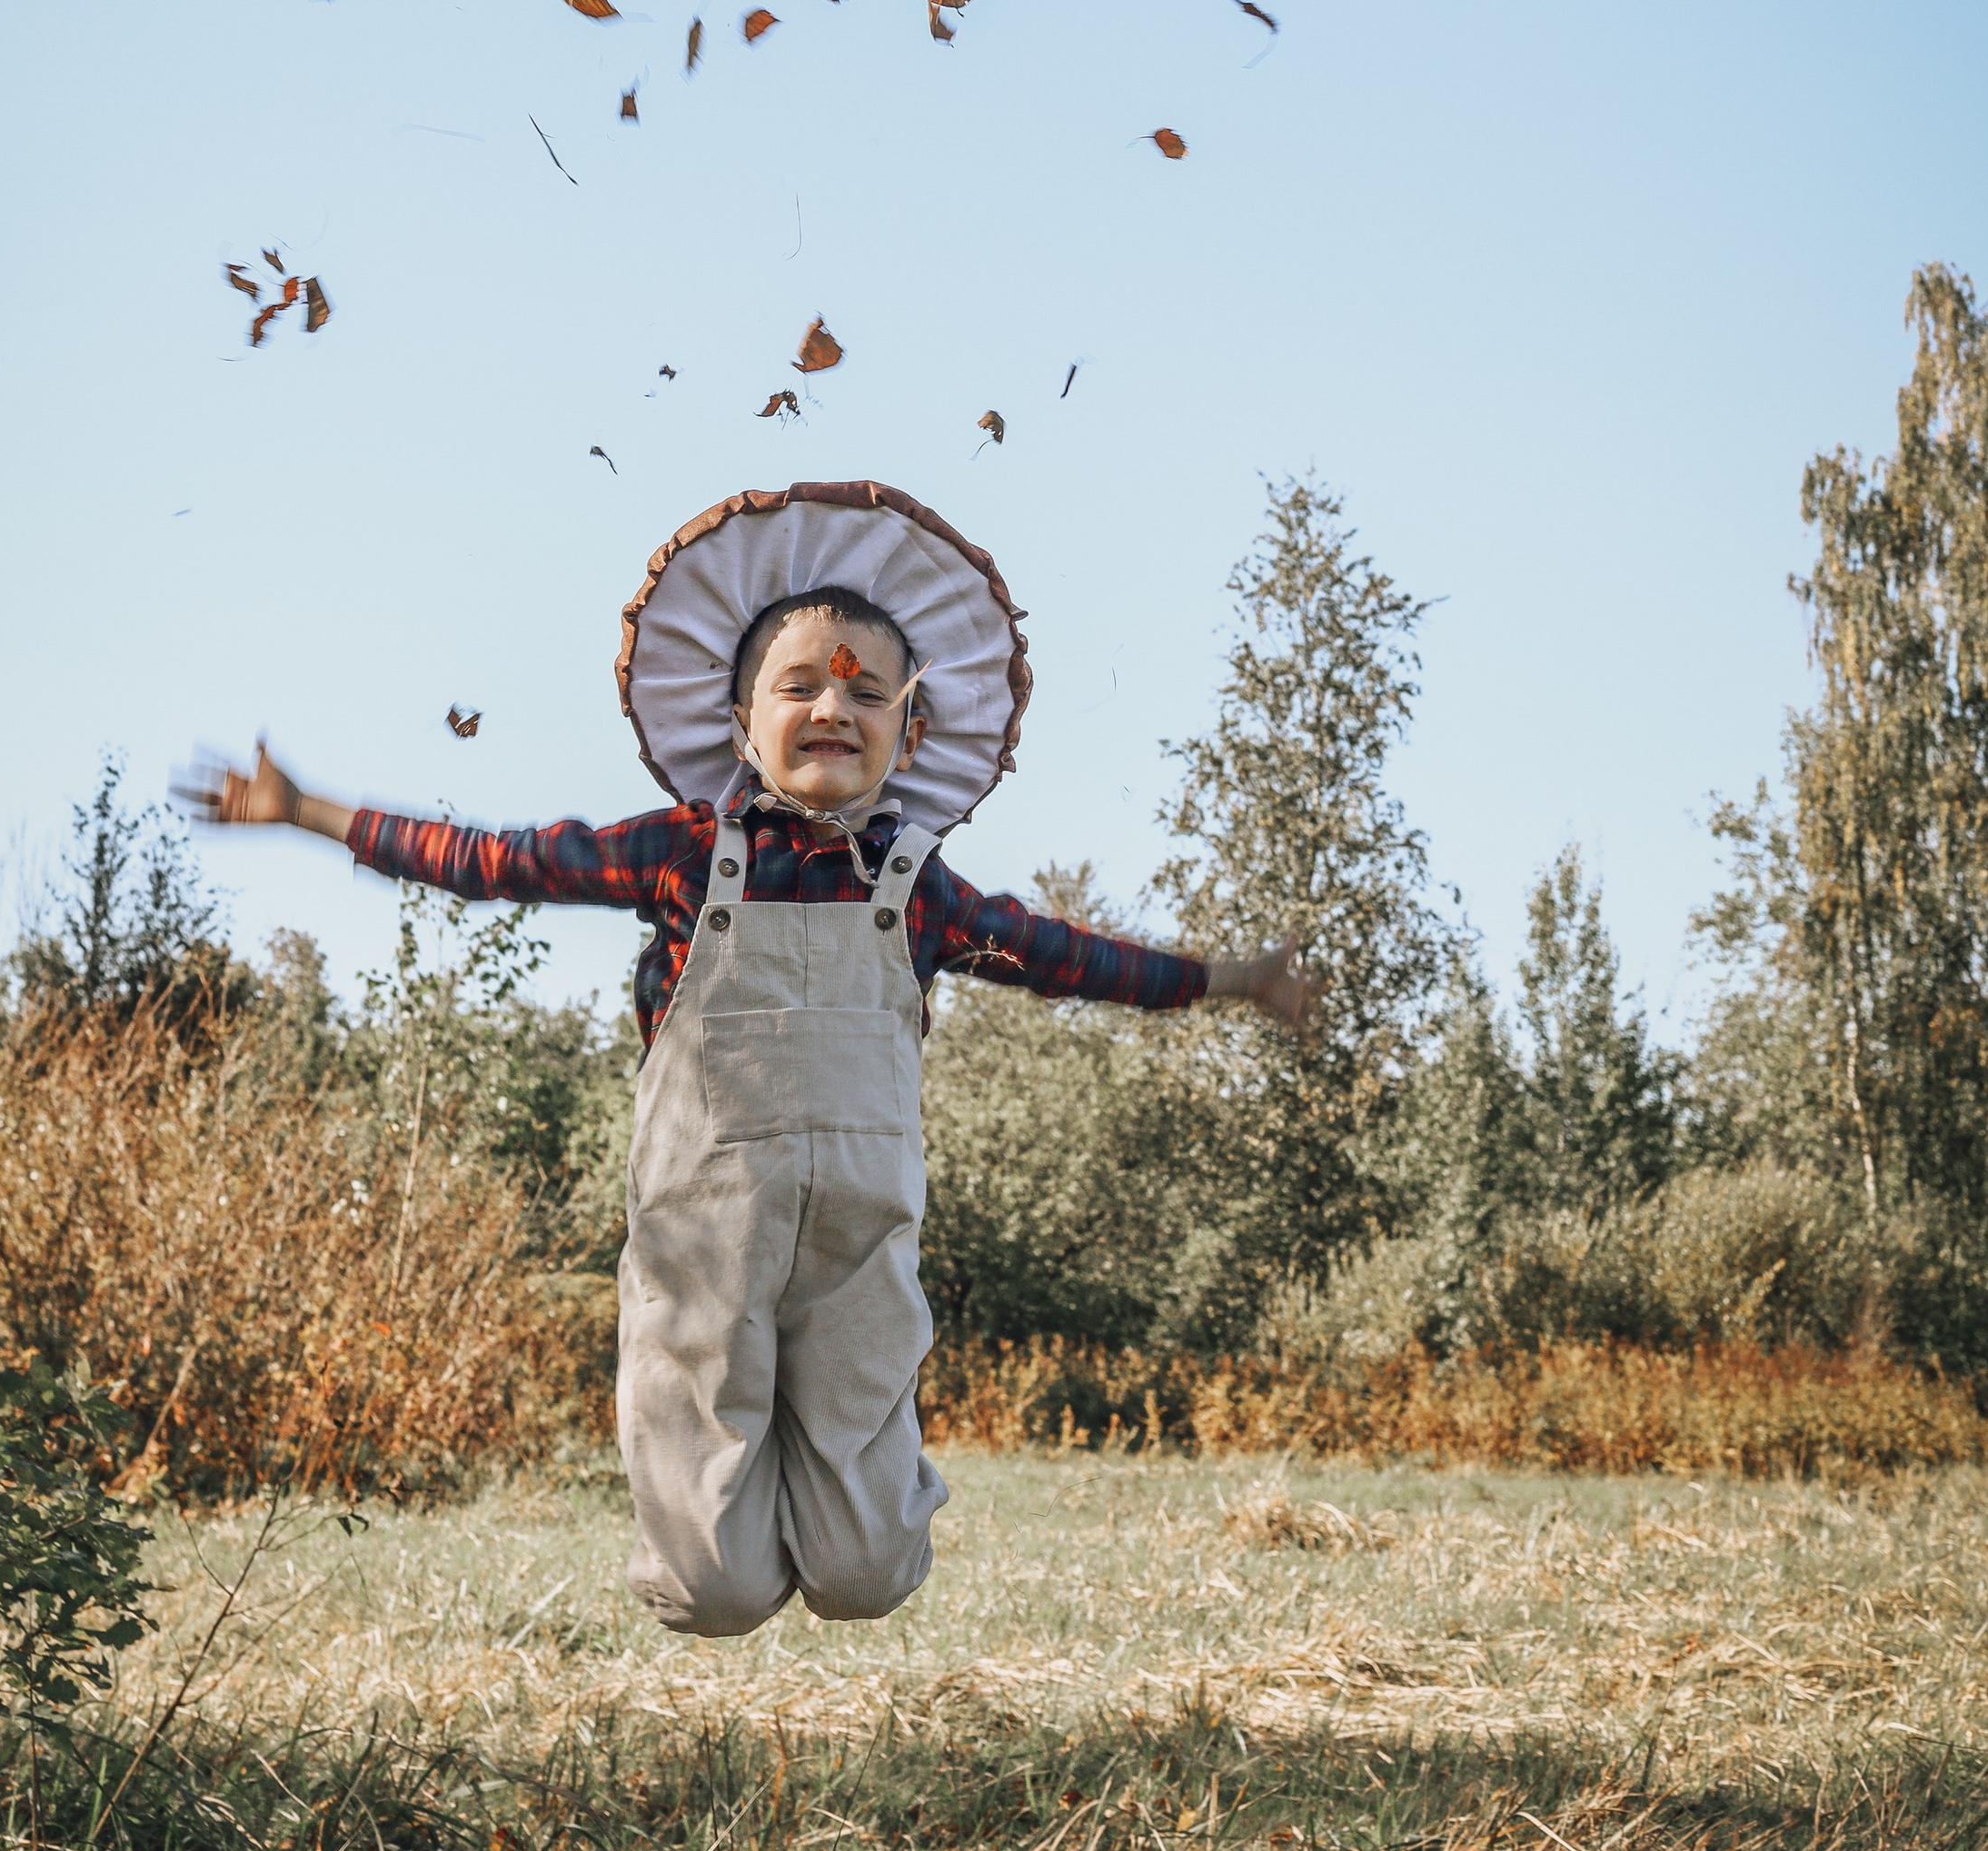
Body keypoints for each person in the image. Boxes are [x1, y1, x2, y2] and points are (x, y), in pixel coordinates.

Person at [182, 480, 1317, 1641]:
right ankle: (725, 1526)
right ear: (740, 725)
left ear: (911, 734)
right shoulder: (685, 858)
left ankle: (846, 1503)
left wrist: (1234, 981)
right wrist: (306, 810)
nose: (835, 703)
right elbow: (491, 860)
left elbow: (1078, 960)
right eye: (801, 684)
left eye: (867, 690)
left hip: (859, 1249)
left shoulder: (917, 891)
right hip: (700, 1245)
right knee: (712, 1591)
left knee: (869, 1573)